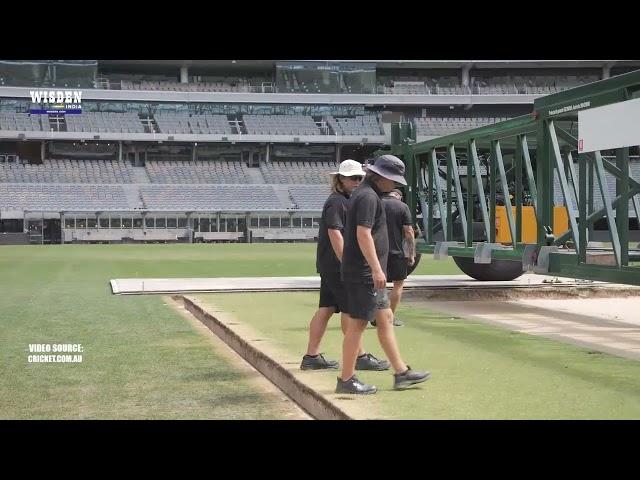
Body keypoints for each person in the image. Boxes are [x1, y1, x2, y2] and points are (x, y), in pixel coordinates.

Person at [336, 154, 431, 394]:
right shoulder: (368, 197)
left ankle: (401, 372)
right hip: (364, 272)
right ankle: (346, 380)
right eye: (394, 180)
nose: (396, 185)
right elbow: (363, 234)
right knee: (358, 324)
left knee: (385, 317)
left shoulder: (367, 194)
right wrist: (377, 268)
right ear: (381, 177)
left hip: (366, 271)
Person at [300, 159, 390, 372]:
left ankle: (312, 355)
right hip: (336, 265)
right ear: (340, 179)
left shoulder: (342, 200)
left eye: (359, 177)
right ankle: (359, 356)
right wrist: (346, 263)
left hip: (330, 264)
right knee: (351, 312)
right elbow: (335, 233)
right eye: (352, 178)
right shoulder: (338, 202)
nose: (357, 181)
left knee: (327, 308)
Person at [372, 188, 416, 327]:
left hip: (377, 252)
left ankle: (375, 314)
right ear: (399, 196)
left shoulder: (376, 203)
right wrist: (411, 253)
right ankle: (389, 316)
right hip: (396, 252)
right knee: (398, 285)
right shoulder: (402, 207)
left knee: (378, 285)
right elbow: (409, 232)